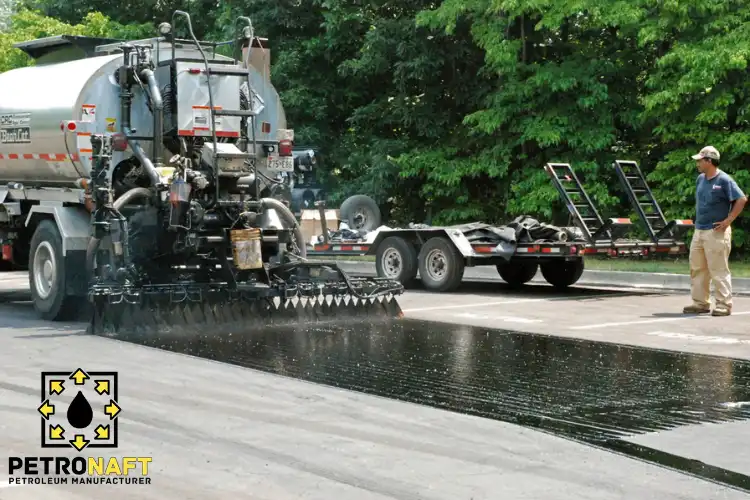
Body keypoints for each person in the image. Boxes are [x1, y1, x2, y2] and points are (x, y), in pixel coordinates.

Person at [683, 146, 747, 316]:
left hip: (716, 232)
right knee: (697, 268)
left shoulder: (724, 180)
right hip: (699, 231)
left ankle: (724, 305)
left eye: (700, 160)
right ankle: (700, 303)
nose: (697, 163)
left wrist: (728, 220)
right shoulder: (700, 179)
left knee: (718, 269)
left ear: (709, 161)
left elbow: (741, 199)